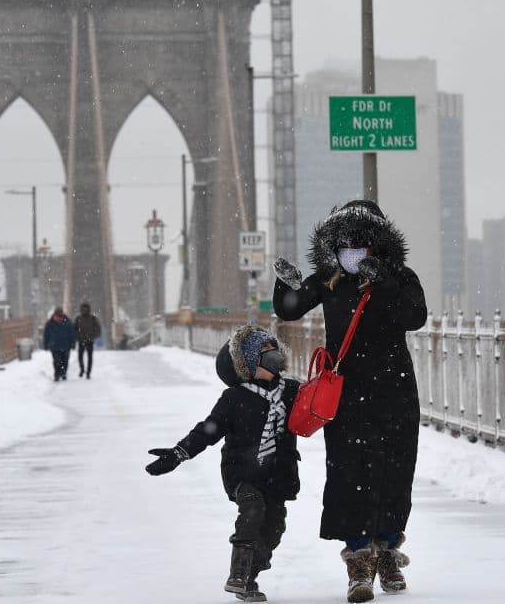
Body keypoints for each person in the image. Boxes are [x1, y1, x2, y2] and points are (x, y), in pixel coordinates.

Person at [272, 200, 427, 603]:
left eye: (361, 243)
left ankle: (387, 550)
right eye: (344, 243)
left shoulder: (400, 277)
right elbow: (290, 310)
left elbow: (416, 315)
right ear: (333, 245)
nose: (352, 250)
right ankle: (359, 562)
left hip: (394, 394)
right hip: (346, 395)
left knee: (394, 473)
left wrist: (384, 283)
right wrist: (285, 283)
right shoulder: (330, 279)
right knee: (349, 476)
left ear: (378, 244)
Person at [145, 325, 300, 603]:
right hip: (243, 473)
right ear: (250, 361)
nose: (272, 353)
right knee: (253, 509)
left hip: (278, 475)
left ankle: (250, 576)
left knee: (274, 528)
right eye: (264, 351)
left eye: (273, 347)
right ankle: (238, 574)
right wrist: (179, 453)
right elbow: (209, 430)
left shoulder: (290, 391)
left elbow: (319, 406)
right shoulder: (235, 398)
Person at [42, 306, 76, 382]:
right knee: (56, 361)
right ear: (55, 314)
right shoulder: (50, 323)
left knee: (65, 361)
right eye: (57, 315)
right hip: (55, 346)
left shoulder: (67, 322)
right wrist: (45, 344)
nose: (59, 317)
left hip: (66, 345)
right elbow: (46, 334)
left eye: (60, 315)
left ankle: (63, 373)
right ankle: (57, 374)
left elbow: (72, 334)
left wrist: (73, 344)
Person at [74, 302, 102, 379]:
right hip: (81, 340)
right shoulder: (78, 318)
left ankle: (88, 372)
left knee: (88, 357)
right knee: (81, 357)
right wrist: (77, 336)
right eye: (83, 309)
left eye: (85, 308)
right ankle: (82, 369)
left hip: (89, 341)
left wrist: (93, 336)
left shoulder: (92, 318)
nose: (84, 310)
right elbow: (74, 329)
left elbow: (98, 329)